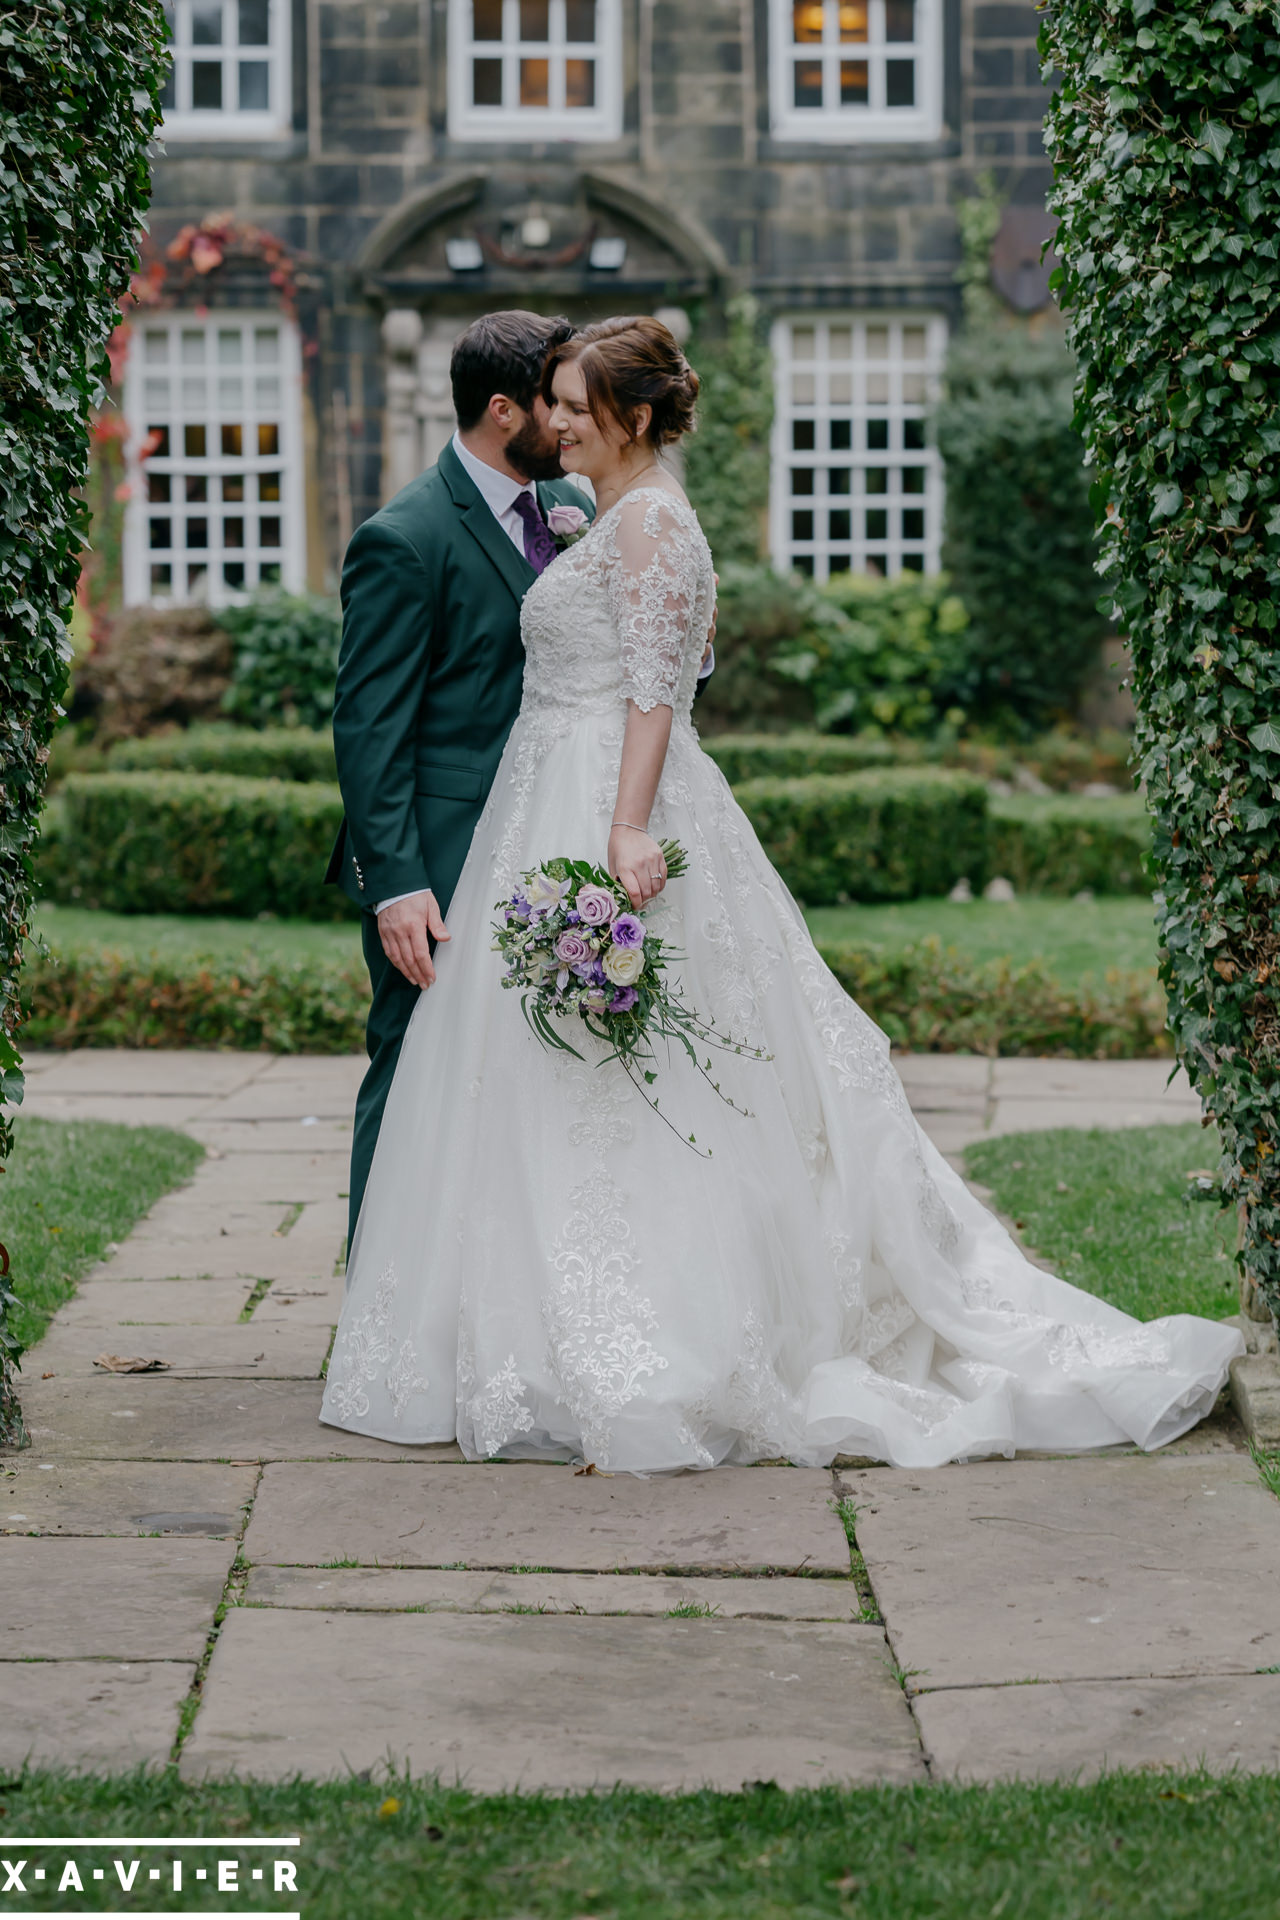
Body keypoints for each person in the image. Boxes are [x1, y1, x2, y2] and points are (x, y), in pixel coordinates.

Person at [320, 315, 1242, 1472]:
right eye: (547, 401)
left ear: (634, 417)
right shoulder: (596, 515)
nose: (553, 422)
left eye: (572, 403)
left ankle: (645, 1330)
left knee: (631, 1079)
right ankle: (497, 1321)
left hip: (601, 809)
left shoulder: (647, 517)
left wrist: (622, 825)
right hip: (531, 808)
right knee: (527, 1082)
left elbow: (658, 689)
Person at [325, 311, 592, 1248]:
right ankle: (374, 1306)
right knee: (410, 1072)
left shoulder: (577, 512)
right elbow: (368, 727)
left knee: (533, 1079)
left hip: (552, 840)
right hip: (437, 863)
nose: (569, 421)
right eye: (553, 402)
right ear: (499, 409)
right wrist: (394, 881)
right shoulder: (405, 537)